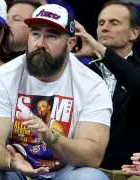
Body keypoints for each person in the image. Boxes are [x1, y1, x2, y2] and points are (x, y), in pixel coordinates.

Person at [0, 4, 112, 180]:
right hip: (16, 171)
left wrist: (52, 138)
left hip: (65, 172)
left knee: (92, 177)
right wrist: (11, 161)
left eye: (51, 36)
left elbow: (93, 156)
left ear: (70, 43)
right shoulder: (3, 77)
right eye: (35, 34)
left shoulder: (92, 85)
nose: (40, 43)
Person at [74, 2, 140, 179]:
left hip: (131, 171)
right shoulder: (84, 71)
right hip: (87, 169)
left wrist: (100, 50)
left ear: (134, 33)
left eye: (114, 22)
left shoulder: (136, 71)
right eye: (101, 23)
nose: (104, 28)